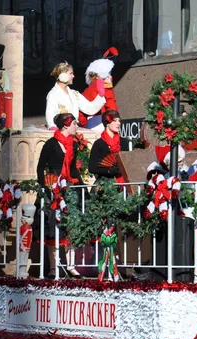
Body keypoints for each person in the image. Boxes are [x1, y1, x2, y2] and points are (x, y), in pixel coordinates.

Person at [36, 113, 84, 279]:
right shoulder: (50, 144)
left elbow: (73, 169)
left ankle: (71, 266)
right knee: (53, 226)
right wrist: (45, 189)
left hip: (68, 185)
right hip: (53, 185)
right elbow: (40, 167)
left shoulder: (73, 144)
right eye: (74, 124)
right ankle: (53, 267)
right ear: (66, 125)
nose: (76, 127)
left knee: (71, 225)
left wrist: (82, 186)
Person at [45, 62, 105, 130]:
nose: (73, 76)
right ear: (63, 76)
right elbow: (50, 114)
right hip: (61, 131)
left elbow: (89, 108)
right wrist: (53, 128)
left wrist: (100, 96)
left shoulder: (74, 94)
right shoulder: (53, 94)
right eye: (71, 73)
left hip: (73, 130)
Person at [78, 48, 119, 131]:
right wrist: (115, 118)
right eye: (109, 73)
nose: (110, 76)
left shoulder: (87, 89)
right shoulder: (104, 84)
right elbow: (111, 103)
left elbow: (81, 111)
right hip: (101, 122)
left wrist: (83, 123)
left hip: (88, 124)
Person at [88, 110, 129, 183]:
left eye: (119, 121)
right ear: (107, 123)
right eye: (115, 121)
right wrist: (109, 170)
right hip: (104, 183)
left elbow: (128, 162)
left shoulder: (123, 142)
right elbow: (92, 168)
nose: (118, 123)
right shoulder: (99, 143)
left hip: (122, 181)